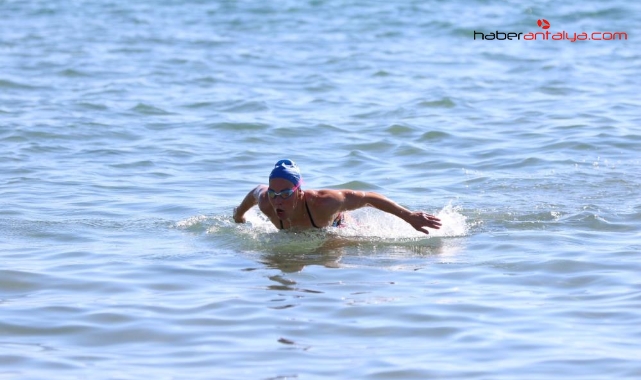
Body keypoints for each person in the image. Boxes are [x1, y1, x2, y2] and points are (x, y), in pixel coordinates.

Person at [233, 159, 442, 234]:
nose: (277, 199)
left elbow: (368, 197)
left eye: (285, 193)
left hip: (336, 227)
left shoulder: (325, 202)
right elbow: (254, 193)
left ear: (299, 192)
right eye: (273, 193)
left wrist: (409, 216)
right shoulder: (266, 202)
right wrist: (239, 216)